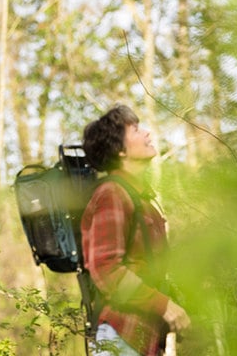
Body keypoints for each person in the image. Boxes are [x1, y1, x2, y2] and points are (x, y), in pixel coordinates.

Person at [81, 104, 190, 356]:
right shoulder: (111, 194)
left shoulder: (141, 198)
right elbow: (106, 268)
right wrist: (163, 305)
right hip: (121, 337)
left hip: (143, 340)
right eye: (136, 129)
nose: (148, 134)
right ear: (119, 150)